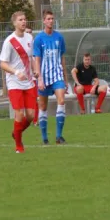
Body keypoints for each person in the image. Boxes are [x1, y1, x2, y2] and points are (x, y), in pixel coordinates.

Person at [0, 12, 39, 153]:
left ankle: (16, 133)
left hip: (28, 82)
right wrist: (16, 72)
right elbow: (3, 64)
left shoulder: (29, 38)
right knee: (20, 114)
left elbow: (31, 58)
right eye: (20, 20)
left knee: (30, 115)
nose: (23, 21)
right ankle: (19, 145)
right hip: (14, 83)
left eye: (24, 19)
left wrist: (35, 71)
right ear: (14, 23)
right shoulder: (9, 41)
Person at [33, 9, 68, 145]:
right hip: (44, 77)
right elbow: (37, 59)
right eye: (48, 19)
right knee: (43, 107)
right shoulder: (39, 39)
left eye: (52, 19)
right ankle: (44, 138)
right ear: (43, 21)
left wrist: (65, 79)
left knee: (61, 101)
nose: (51, 21)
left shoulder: (59, 37)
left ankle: (59, 136)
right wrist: (39, 78)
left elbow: (62, 58)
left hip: (57, 75)